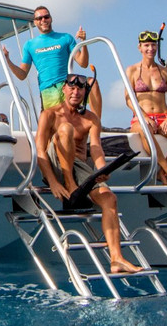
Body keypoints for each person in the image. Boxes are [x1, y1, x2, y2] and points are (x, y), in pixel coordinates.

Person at [36, 74, 142, 274]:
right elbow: (40, 150)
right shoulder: (50, 114)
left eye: (80, 89)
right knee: (65, 129)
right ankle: (70, 185)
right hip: (57, 165)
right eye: (72, 88)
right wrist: (52, 182)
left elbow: (95, 148)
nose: (75, 92)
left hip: (80, 166)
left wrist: (102, 169)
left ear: (85, 92)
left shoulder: (91, 118)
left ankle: (116, 259)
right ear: (64, 90)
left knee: (109, 198)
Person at [124, 29, 167, 185]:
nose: (151, 49)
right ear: (140, 48)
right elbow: (129, 99)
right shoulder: (132, 70)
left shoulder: (165, 72)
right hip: (141, 119)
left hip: (163, 118)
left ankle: (162, 172)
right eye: (147, 45)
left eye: (153, 45)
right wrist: (144, 117)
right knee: (145, 130)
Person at [3, 5, 102, 116]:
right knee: (57, 127)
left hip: (68, 85)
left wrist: (83, 43)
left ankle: (96, 125)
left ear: (51, 19)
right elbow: (22, 75)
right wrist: (7, 60)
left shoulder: (66, 38)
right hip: (48, 90)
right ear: (35, 22)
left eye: (46, 17)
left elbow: (83, 63)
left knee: (92, 83)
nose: (43, 20)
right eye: (39, 18)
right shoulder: (29, 45)